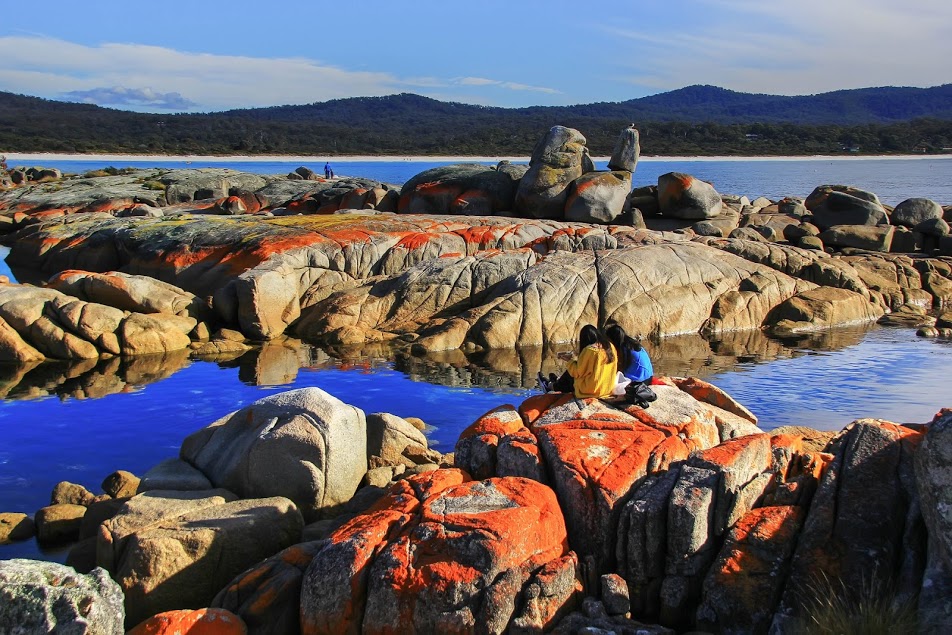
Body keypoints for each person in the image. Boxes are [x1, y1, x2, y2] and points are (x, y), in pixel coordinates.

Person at [540, 324, 618, 399]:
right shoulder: (610, 346)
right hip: (607, 388)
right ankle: (556, 383)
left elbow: (577, 372)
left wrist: (569, 360)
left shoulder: (589, 350)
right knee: (572, 369)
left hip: (593, 390)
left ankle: (552, 386)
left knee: (571, 373)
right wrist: (573, 355)